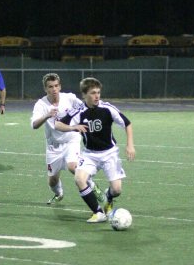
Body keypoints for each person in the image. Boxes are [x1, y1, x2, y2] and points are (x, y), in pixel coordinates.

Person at [55, 77, 135, 223]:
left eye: (98, 92)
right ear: (84, 95)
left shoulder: (107, 108)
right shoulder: (78, 111)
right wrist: (73, 127)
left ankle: (108, 197)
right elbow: (58, 125)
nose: (97, 96)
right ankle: (98, 212)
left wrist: (130, 145)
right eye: (93, 93)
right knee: (79, 179)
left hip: (110, 153)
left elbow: (127, 124)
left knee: (117, 190)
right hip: (89, 154)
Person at [31, 73, 105, 205]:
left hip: (72, 139)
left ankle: (94, 188)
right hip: (53, 146)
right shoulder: (41, 104)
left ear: (60, 86)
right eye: (50, 87)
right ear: (45, 89)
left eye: (56, 86)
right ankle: (58, 193)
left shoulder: (69, 98)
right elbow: (34, 125)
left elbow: (84, 106)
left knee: (73, 166)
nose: (54, 89)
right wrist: (47, 115)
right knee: (52, 180)